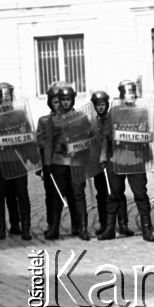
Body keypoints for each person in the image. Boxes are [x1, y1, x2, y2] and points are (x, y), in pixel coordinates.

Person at [98, 80, 154, 241]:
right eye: (127, 93)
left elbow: (145, 136)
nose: (130, 96)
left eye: (132, 93)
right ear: (122, 95)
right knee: (114, 194)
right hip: (116, 158)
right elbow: (105, 136)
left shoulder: (141, 111)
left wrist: (150, 159)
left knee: (141, 194)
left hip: (136, 159)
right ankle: (110, 228)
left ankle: (147, 229)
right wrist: (103, 156)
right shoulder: (114, 111)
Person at [0, 82, 39, 240]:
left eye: (9, 98)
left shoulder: (20, 114)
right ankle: (1, 228)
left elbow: (29, 136)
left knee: (22, 195)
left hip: (17, 159)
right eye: (4, 99)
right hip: (0, 159)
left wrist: (35, 159)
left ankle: (25, 228)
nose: (7, 102)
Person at [43, 84, 90, 241]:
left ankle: (82, 228)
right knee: (57, 195)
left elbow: (88, 139)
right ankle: (54, 228)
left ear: (73, 100)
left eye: (68, 99)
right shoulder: (53, 119)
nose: (65, 103)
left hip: (76, 161)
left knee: (78, 193)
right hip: (59, 160)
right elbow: (48, 141)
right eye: (62, 100)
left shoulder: (82, 117)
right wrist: (47, 163)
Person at [91, 90, 134, 237]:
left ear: (107, 105)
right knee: (101, 194)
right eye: (98, 105)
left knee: (118, 191)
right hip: (98, 164)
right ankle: (104, 224)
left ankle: (123, 224)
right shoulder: (92, 122)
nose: (101, 108)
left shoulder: (113, 118)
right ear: (94, 107)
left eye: (103, 104)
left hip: (113, 160)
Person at [37, 84, 62, 237]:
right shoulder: (44, 121)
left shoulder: (71, 118)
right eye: (55, 102)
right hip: (50, 162)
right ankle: (51, 224)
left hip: (66, 162)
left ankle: (77, 224)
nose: (58, 105)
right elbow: (39, 140)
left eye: (61, 101)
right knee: (51, 196)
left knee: (73, 195)